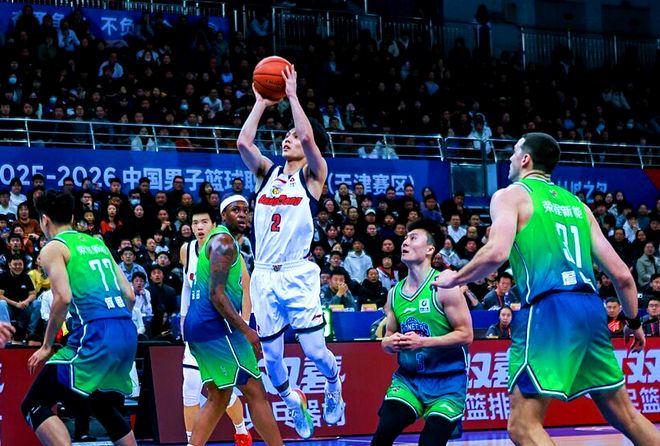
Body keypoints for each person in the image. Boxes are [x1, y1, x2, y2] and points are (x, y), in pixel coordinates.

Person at [431, 133, 659, 445]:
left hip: (548, 309)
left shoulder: (511, 195)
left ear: (526, 159)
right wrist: (633, 322)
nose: (510, 158)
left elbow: (496, 253)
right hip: (591, 311)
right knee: (625, 414)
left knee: (522, 426)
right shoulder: (579, 207)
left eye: (514, 152)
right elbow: (623, 276)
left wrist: (455, 278)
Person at [237, 64, 344, 438]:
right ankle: (292, 400)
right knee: (271, 358)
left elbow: (309, 136)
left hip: (297, 272)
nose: (288, 139)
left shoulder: (313, 176)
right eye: (285, 135)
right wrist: (261, 103)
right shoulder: (266, 173)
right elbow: (243, 144)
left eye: (293, 137)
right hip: (264, 274)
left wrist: (293, 96)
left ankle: (333, 384)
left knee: (315, 351)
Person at [22, 190, 138, 445]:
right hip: (126, 331)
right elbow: (129, 295)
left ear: (44, 220)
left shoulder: (53, 248)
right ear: (73, 218)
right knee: (101, 404)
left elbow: (63, 298)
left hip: (95, 333)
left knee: (34, 403)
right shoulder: (97, 243)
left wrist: (46, 346)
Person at [184, 199, 282, 446]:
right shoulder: (224, 243)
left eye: (245, 210)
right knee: (255, 392)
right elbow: (216, 294)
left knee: (218, 396)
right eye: (235, 210)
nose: (242, 214)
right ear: (223, 215)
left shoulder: (220, 241)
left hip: (199, 328)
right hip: (216, 327)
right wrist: (247, 329)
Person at [372, 219, 472, 446]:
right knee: (383, 434)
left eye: (413, 238)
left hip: (448, 382)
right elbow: (387, 337)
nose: (405, 242)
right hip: (409, 380)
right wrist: (389, 343)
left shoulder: (445, 286)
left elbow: (466, 334)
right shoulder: (394, 293)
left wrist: (423, 342)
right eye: (405, 238)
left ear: (429, 249)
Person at [179, 202, 253, 445]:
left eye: (204, 222)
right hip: (198, 328)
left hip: (223, 330)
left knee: (223, 390)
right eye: (195, 223)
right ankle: (191, 442)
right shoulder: (186, 250)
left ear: (214, 225)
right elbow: (187, 288)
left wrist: (244, 323)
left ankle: (241, 431)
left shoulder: (226, 247)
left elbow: (246, 288)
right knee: (190, 387)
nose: (199, 227)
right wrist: (183, 319)